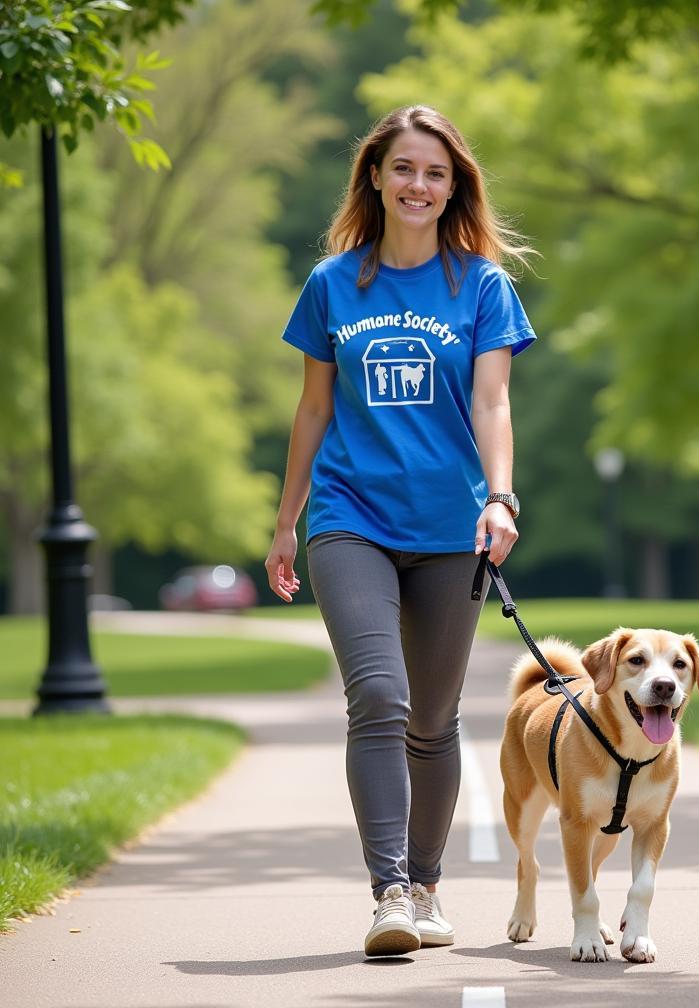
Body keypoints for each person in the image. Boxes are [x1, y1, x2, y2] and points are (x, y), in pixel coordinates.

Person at [264, 105, 536, 958]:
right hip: (350, 518)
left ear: (453, 186)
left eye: (436, 173)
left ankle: (425, 886)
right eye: (405, 169)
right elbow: (313, 408)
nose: (419, 185)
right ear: (375, 177)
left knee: (435, 717)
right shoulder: (332, 285)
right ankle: (387, 892)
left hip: (454, 525)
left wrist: (502, 499)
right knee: (378, 696)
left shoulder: (482, 286)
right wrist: (286, 523)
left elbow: (492, 402)